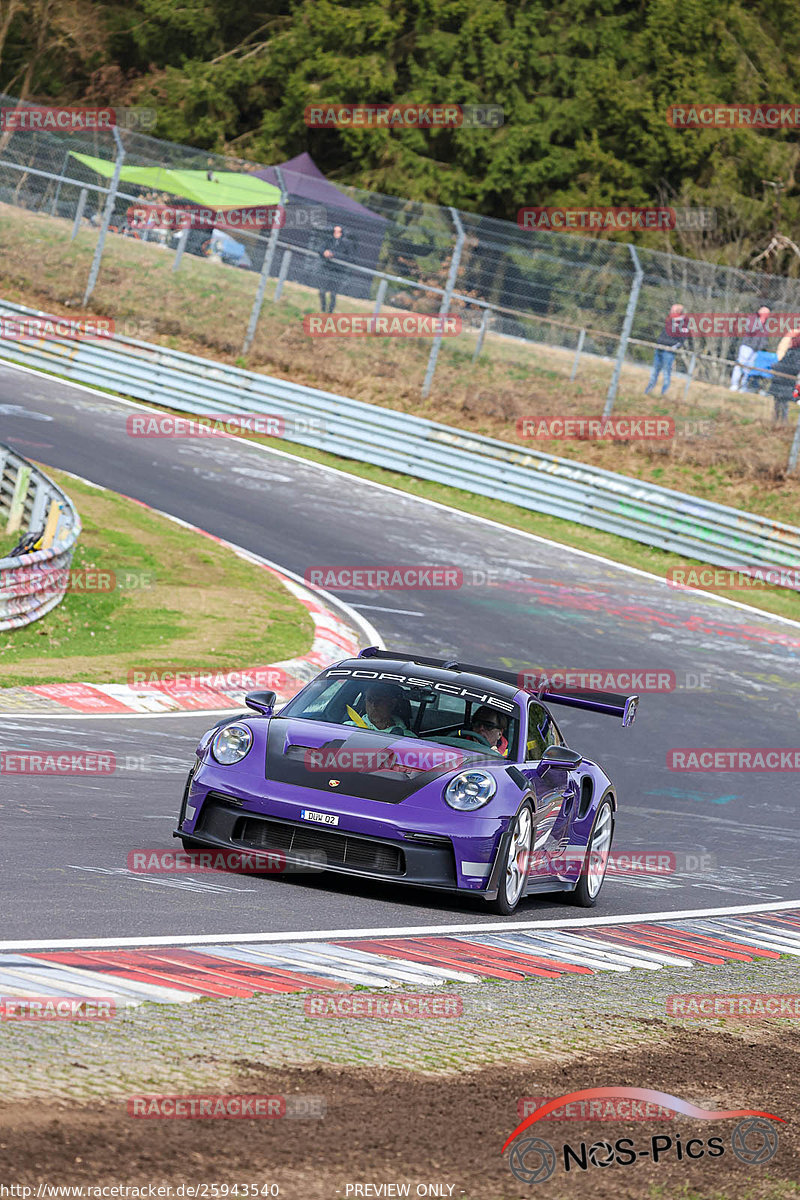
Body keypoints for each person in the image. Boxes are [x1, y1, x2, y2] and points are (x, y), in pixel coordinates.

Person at [645, 304, 688, 396]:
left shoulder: (683, 323)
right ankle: (647, 391)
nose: (670, 311)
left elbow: (683, 339)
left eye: (673, 310)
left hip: (668, 351)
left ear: (678, 311)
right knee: (654, 372)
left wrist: (673, 348)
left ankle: (663, 394)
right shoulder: (670, 320)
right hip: (659, 347)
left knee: (666, 373)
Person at [730, 305, 771, 392]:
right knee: (740, 365)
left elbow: (765, 336)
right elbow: (751, 329)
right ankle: (734, 384)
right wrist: (761, 321)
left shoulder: (766, 323)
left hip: (756, 350)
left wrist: (762, 346)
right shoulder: (752, 318)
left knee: (748, 368)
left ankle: (743, 386)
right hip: (747, 346)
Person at [346, 681, 411, 735]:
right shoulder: (347, 728)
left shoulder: (408, 738)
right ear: (365, 702)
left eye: (379, 701)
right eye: (370, 699)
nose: (373, 705)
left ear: (392, 704)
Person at [768, 328, 800, 424]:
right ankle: (778, 421)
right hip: (783, 378)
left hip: (785, 378)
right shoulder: (792, 351)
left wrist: (777, 366)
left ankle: (781, 421)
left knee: (782, 402)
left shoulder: (794, 352)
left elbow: (791, 365)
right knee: (779, 401)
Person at [317, 225, 351, 313]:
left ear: (342, 233)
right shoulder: (329, 240)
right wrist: (324, 252)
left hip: (338, 271)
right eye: (334, 231)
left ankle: (330, 312)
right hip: (327, 269)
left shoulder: (346, 244)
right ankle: (323, 309)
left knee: (333, 294)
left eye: (338, 231)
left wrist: (334, 255)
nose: (336, 233)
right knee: (322, 291)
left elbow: (349, 257)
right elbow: (320, 249)